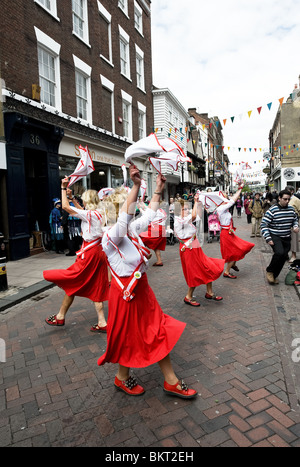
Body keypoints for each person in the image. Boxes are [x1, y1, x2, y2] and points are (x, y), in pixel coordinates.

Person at [97, 164, 197, 399]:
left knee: (154, 332)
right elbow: (125, 219)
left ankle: (141, 379)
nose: (129, 210)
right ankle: (156, 380)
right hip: (126, 296)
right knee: (131, 336)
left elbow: (150, 214)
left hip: (141, 292)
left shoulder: (130, 229)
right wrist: (136, 185)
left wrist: (158, 189)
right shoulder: (111, 236)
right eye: (125, 206)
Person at [44, 178, 109, 332]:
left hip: (89, 254)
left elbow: (65, 207)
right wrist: (73, 197)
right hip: (99, 252)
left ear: (88, 202)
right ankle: (101, 322)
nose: (83, 203)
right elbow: (81, 211)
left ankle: (60, 316)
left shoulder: (90, 214)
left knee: (72, 281)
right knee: (97, 285)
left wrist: (62, 187)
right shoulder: (99, 213)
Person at [174, 194, 224, 306]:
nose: (186, 210)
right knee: (194, 272)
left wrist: (199, 202)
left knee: (207, 266)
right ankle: (188, 296)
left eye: (187, 208)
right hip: (188, 249)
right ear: (178, 211)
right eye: (184, 209)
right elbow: (193, 216)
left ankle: (209, 292)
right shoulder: (179, 220)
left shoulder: (185, 218)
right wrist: (196, 202)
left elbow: (198, 215)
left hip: (194, 246)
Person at [261, 189, 299, 284]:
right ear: (279, 198)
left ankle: (274, 275)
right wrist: (268, 238)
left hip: (286, 236)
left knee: (283, 257)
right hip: (275, 235)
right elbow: (263, 224)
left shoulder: (291, 209)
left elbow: (294, 219)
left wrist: (295, 226)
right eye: (285, 199)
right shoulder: (273, 210)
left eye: (288, 199)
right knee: (279, 253)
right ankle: (270, 271)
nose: (287, 201)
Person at [216, 186, 255, 278]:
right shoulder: (221, 208)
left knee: (237, 249)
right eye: (225, 198)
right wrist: (240, 189)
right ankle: (227, 271)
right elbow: (233, 201)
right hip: (226, 233)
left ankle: (232, 265)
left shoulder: (223, 208)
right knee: (234, 252)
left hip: (229, 232)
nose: (227, 199)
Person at [62, 188, 82, 256]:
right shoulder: (76, 206)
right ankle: (77, 249)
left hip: (70, 226)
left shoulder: (68, 207)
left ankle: (72, 251)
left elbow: (65, 216)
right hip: (77, 225)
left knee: (70, 238)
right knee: (76, 237)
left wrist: (63, 224)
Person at [285, 186, 300, 263]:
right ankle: (285, 255)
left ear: (292, 191)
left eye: (288, 191)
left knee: (294, 240)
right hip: (285, 223)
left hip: (294, 223)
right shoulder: (284, 199)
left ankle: (293, 256)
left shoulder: (296, 200)